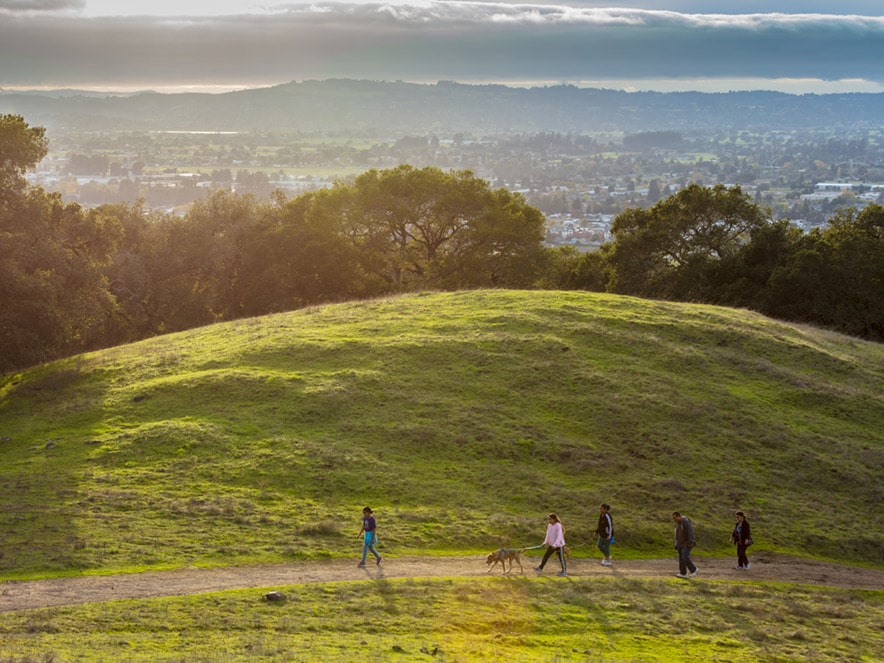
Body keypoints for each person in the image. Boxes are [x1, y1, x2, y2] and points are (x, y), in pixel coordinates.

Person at [672, 512, 698, 578]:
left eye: (675, 518)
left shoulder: (685, 522)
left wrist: (690, 543)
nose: (674, 520)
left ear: (679, 516)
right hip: (680, 544)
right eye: (673, 519)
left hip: (686, 544)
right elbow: (677, 535)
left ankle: (693, 569)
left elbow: (690, 532)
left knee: (685, 557)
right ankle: (683, 573)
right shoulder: (678, 524)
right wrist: (676, 544)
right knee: (681, 558)